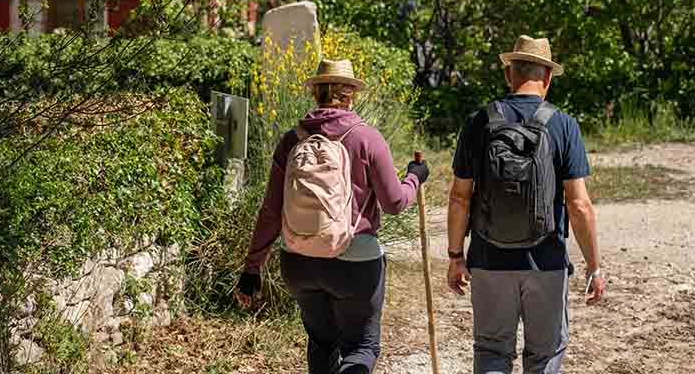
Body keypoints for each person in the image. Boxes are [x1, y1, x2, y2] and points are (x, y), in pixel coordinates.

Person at [236, 58, 429, 374]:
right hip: (355, 264)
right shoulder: (367, 138)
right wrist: (414, 178)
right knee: (361, 348)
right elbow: (394, 203)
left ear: (316, 93)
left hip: (298, 261)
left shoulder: (291, 140)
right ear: (350, 94)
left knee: (322, 342)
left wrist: (252, 268)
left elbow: (271, 211)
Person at [446, 35, 604, 374]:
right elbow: (579, 205)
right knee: (544, 357)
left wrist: (455, 256)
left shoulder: (478, 121)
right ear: (547, 77)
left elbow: (459, 197)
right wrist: (594, 267)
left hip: (488, 260)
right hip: (546, 262)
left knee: (492, 352)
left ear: (509, 74)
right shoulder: (563, 124)